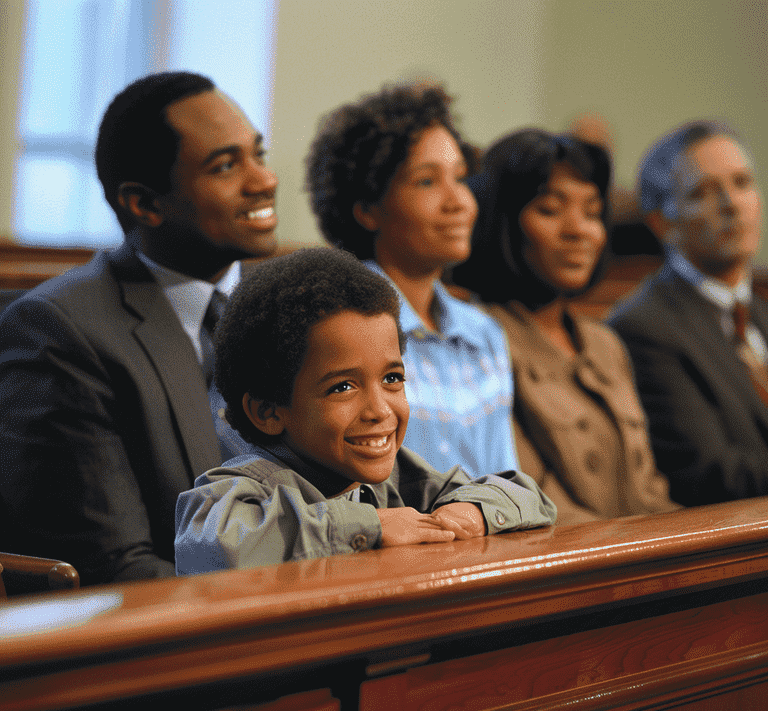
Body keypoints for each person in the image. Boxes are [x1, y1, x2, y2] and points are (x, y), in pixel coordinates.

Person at [0, 71, 278, 585]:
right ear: (145, 203)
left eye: (258, 154)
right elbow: (113, 569)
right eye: (225, 165)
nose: (264, 180)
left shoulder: (291, 301)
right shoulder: (60, 333)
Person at [175, 248, 555, 573]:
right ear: (267, 411)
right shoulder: (240, 494)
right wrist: (371, 525)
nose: (379, 410)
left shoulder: (397, 479)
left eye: (392, 379)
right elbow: (216, 546)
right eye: (343, 387)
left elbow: (527, 496)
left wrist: (473, 511)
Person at [451, 129, 677, 523]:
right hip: (575, 567)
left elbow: (649, 489)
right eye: (550, 210)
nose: (579, 230)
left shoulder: (604, 342)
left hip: (645, 558)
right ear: (503, 221)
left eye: (592, 212)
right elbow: (532, 498)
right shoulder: (480, 341)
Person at [305, 84, 518, 479]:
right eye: (426, 182)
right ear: (369, 209)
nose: (459, 202)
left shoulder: (483, 333)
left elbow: (509, 485)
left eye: (459, 177)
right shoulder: (339, 329)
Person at [608, 121, 766, 506]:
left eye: (742, 182)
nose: (732, 204)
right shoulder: (643, 327)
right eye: (703, 192)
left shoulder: (758, 312)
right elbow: (711, 475)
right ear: (663, 223)